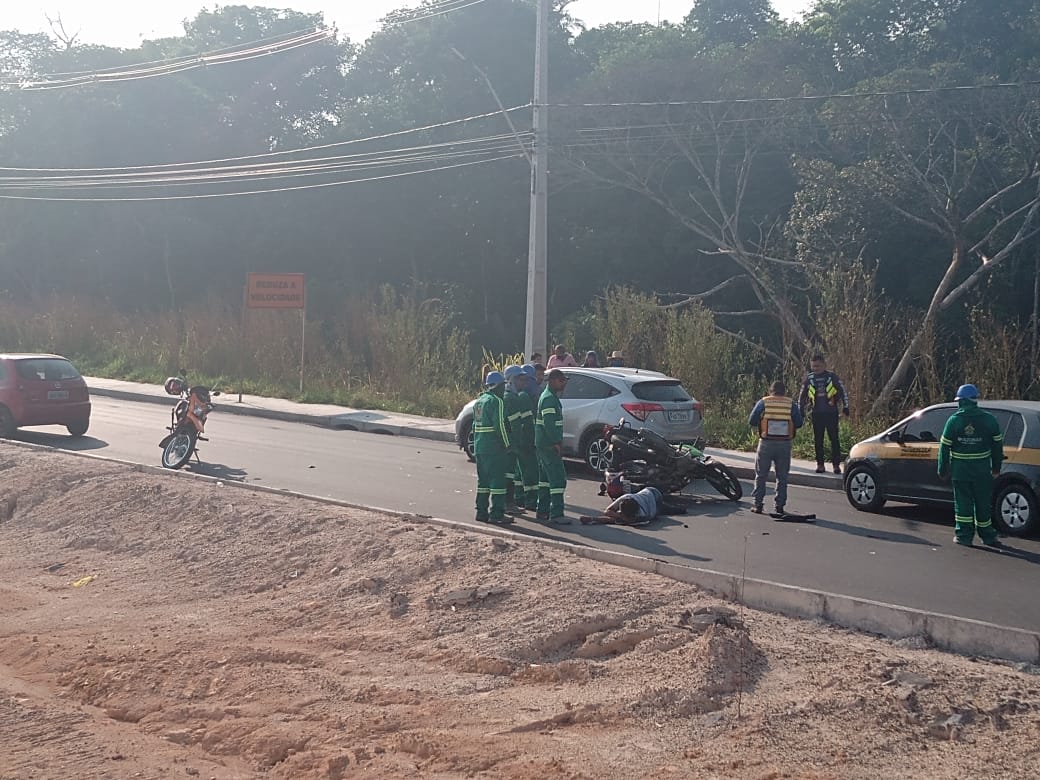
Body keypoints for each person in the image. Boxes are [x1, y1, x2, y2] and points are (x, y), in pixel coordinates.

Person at [938, 384, 1004, 547]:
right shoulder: (989, 420)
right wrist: (996, 468)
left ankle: (964, 536)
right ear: (975, 400)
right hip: (982, 471)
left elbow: (944, 447)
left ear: (961, 401)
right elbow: (997, 447)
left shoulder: (953, 421)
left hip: (960, 471)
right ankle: (988, 536)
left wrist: (942, 469)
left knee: (963, 504)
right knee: (983, 504)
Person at [748, 380, 804, 515]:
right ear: (784, 392)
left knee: (761, 475)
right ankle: (779, 506)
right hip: (784, 444)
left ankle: (758, 504)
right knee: (782, 476)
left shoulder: (764, 402)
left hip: (766, 443)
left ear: (770, 391)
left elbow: (752, 420)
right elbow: (799, 422)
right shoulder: (790, 403)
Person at [472, 371, 513, 524]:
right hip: (494, 448)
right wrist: (507, 443)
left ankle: (481, 511)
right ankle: (497, 513)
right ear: (497, 386)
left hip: (480, 447)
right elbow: (500, 426)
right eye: (503, 385)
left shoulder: (479, 401)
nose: (504, 389)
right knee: (498, 482)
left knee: (483, 481)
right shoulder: (497, 402)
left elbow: (474, 425)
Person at [798, 354, 849, 474]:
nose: (816, 368)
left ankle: (836, 465)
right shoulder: (809, 379)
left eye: (818, 366)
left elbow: (843, 391)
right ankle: (820, 465)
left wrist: (846, 407)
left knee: (834, 440)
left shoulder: (832, 377)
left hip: (831, 413)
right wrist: (800, 410)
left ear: (824, 365)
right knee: (818, 440)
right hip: (817, 414)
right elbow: (801, 396)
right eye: (813, 366)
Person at [535, 368, 570, 524]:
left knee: (545, 480)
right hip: (549, 445)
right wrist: (556, 442)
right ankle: (557, 513)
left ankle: (542, 510)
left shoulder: (549, 397)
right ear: (554, 381)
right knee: (558, 479)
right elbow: (549, 425)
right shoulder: (549, 399)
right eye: (562, 381)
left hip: (544, 444)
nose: (564, 384)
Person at [503, 364, 537, 512]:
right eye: (521, 379)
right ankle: (508, 504)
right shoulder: (511, 399)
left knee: (512, 473)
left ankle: (511, 502)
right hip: (513, 443)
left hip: (514, 443)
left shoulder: (515, 397)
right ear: (511, 380)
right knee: (510, 474)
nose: (524, 382)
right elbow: (516, 425)